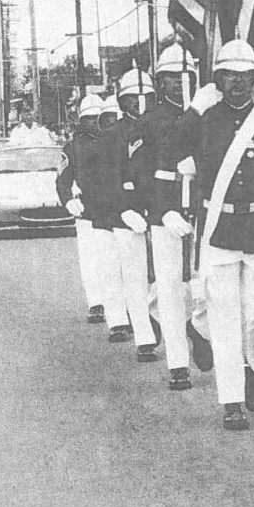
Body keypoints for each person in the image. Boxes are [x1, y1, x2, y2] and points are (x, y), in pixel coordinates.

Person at [163, 40, 254, 430]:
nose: (237, 83)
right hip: (218, 229)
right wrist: (193, 109)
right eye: (229, 76)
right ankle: (231, 400)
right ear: (218, 79)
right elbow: (167, 149)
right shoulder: (204, 121)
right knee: (224, 317)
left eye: (245, 76)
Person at [144, 45, 213, 392]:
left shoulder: (207, 113)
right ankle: (177, 363)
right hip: (166, 210)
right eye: (170, 78)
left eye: (184, 77)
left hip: (204, 207)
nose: (178, 83)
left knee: (205, 285)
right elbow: (142, 174)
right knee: (170, 288)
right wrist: (161, 211)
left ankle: (198, 330)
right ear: (160, 82)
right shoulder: (151, 120)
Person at [101, 69, 160, 361]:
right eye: (132, 99)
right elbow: (108, 178)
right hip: (129, 214)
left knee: (172, 278)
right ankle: (145, 338)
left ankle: (157, 316)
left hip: (163, 210)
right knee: (135, 276)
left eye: (147, 97)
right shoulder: (112, 135)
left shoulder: (162, 126)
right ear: (122, 103)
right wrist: (124, 208)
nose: (140, 104)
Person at [56, 94, 119, 327]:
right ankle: (96, 302)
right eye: (89, 119)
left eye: (97, 118)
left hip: (114, 208)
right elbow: (63, 179)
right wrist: (68, 200)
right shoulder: (72, 147)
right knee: (91, 260)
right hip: (87, 210)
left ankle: (120, 305)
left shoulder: (113, 141)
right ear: (81, 121)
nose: (94, 123)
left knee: (115, 261)